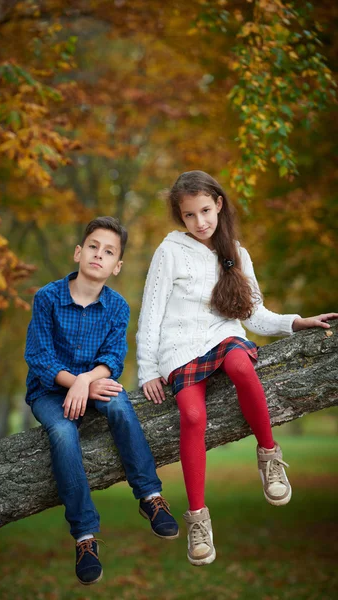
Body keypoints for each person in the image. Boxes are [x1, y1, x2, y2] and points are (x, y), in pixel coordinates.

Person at [136, 170, 338, 567]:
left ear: (219, 204)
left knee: (242, 366)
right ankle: (198, 520)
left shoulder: (237, 253)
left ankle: (269, 457)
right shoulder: (170, 250)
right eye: (190, 215)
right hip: (179, 350)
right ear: (181, 217)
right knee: (193, 415)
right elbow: (151, 314)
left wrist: (295, 322)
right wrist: (147, 370)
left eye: (206, 211)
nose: (200, 222)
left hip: (223, 337)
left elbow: (254, 314)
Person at [24, 216, 179, 586]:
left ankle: (150, 496)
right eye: (93, 246)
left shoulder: (117, 306)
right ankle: (85, 537)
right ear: (79, 252)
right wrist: (76, 384)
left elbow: (112, 358)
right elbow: (40, 358)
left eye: (108, 252)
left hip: (94, 383)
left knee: (121, 405)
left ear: (116, 265)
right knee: (63, 434)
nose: (99, 255)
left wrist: (87, 382)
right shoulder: (47, 298)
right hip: (48, 390)